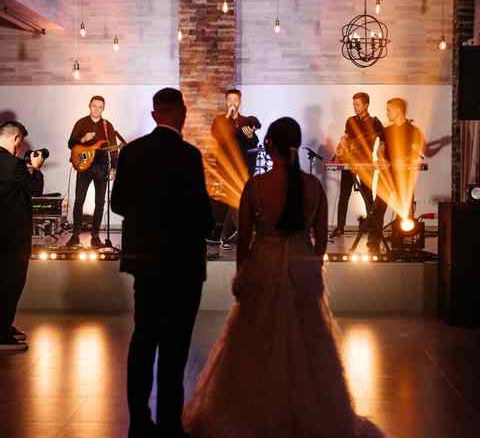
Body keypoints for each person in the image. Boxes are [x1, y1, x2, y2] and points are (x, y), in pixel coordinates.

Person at [183, 117, 386, 438]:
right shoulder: (314, 186)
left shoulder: (255, 186)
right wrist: (311, 265)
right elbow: (321, 240)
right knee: (306, 341)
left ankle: (253, 411)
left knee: (255, 338)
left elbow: (244, 239)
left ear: (269, 146)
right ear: (296, 144)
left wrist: (242, 274)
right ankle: (305, 412)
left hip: (263, 263)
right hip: (301, 264)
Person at [111, 88, 214, 438]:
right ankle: (170, 424)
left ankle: (139, 422)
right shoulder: (189, 155)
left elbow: (118, 204)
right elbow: (202, 215)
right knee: (175, 346)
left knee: (144, 339)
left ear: (155, 114)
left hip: (146, 260)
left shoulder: (132, 152)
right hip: (183, 262)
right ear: (182, 113)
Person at [0, 121, 44, 352]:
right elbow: (35, 190)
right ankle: (1, 334)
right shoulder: (14, 165)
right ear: (16, 139)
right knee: (12, 282)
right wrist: (36, 169)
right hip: (13, 235)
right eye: (20, 142)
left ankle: (4, 327)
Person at [368, 98, 425, 251]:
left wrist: (401, 160)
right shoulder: (386, 131)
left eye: (389, 110)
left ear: (398, 111)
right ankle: (373, 242)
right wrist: (381, 159)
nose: (387, 113)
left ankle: (402, 242)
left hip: (404, 178)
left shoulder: (413, 131)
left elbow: (416, 153)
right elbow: (380, 149)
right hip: (387, 176)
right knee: (378, 208)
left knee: (405, 212)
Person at [330, 92, 385, 240]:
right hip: (350, 162)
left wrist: (381, 156)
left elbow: (383, 140)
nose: (355, 107)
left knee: (367, 195)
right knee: (344, 195)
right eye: (354, 104)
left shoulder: (374, 122)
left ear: (366, 105)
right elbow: (347, 137)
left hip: (365, 163)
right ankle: (340, 227)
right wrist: (342, 145)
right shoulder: (350, 120)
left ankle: (373, 226)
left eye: (358, 104)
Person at [211, 89, 261, 246]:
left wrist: (250, 136)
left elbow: (254, 143)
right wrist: (228, 117)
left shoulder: (245, 121)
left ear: (240, 102)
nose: (232, 102)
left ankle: (226, 236)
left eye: (235, 99)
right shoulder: (220, 120)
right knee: (236, 200)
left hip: (243, 168)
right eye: (230, 99)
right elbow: (217, 135)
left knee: (237, 200)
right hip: (226, 169)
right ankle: (238, 235)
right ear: (226, 102)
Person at [66, 95, 118, 248]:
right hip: (84, 165)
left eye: (100, 107)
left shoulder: (107, 126)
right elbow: (71, 144)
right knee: (79, 200)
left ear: (103, 109)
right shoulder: (81, 122)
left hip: (102, 166)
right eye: (94, 106)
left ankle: (95, 236)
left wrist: (114, 167)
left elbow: (114, 148)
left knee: (100, 202)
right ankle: (75, 235)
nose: (96, 109)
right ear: (89, 106)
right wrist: (83, 139)